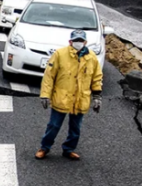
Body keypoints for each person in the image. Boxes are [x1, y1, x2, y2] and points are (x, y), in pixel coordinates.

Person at [35, 29, 103, 161]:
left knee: (75, 128)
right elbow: (49, 76)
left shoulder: (92, 58)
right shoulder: (60, 54)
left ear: (85, 42)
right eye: (75, 41)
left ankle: (69, 149)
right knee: (54, 125)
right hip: (62, 97)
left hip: (80, 99)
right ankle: (44, 147)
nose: (78, 43)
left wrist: (97, 96)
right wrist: (45, 95)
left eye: (80, 41)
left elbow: (97, 77)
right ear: (70, 42)